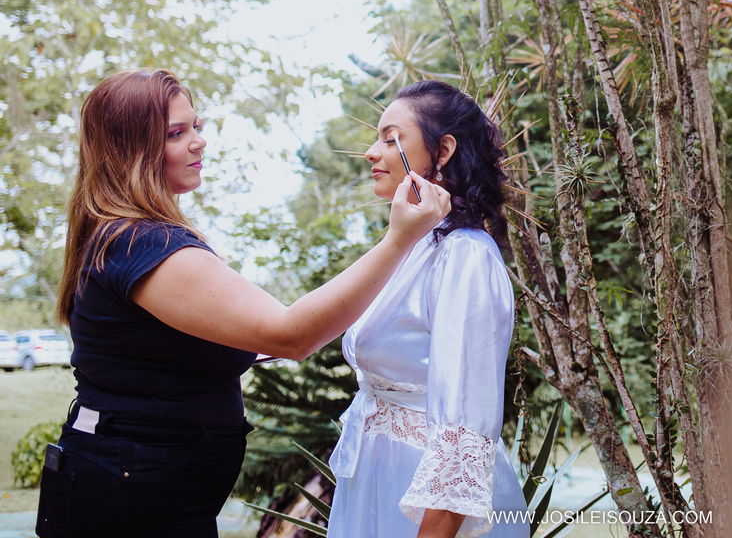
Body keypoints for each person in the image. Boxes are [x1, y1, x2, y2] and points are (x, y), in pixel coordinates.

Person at [36, 69, 450, 538]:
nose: (199, 142)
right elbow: (290, 334)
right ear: (128, 150)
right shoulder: (140, 244)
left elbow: (233, 336)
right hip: (129, 503)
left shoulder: (126, 236)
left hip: (142, 492)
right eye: (176, 133)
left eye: (196, 126)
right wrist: (399, 240)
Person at [326, 80, 526, 538]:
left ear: (444, 149)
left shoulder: (466, 255)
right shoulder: (413, 247)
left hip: (427, 502)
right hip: (375, 479)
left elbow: (466, 422)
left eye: (389, 137)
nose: (371, 153)